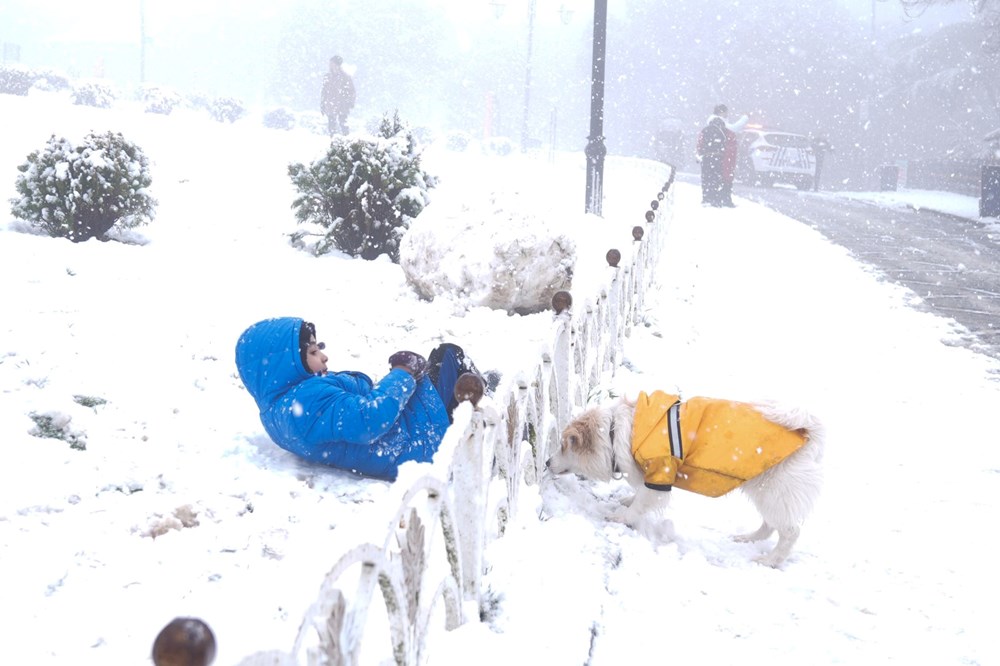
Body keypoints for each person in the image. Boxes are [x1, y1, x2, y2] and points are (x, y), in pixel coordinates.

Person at [234, 317, 485, 481]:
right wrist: (403, 374)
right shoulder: (307, 401)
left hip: (405, 436)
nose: (324, 357)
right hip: (419, 441)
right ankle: (486, 409)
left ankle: (472, 398)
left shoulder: (282, 408)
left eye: (319, 347)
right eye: (312, 351)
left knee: (440, 368)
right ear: (285, 365)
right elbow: (371, 418)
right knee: (449, 355)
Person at [696, 105, 728, 207]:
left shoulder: (705, 130)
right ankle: (715, 199)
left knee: (706, 178)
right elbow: (725, 143)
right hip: (718, 157)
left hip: (706, 157)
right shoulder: (723, 130)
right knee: (716, 178)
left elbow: (700, 144)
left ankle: (706, 198)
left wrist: (700, 154)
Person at [720, 109, 749, 207]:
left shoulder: (723, 130)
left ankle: (725, 199)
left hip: (727, 160)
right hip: (727, 160)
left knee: (726, 179)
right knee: (726, 179)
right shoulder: (726, 130)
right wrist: (745, 118)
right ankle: (726, 200)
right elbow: (735, 127)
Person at [320, 55, 356, 136]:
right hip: (330, 105)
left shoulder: (345, 77)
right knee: (331, 126)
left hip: (342, 105)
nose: (329, 65)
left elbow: (351, 91)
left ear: (337, 65)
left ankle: (347, 142)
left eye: (331, 63)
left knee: (343, 125)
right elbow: (324, 91)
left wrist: (350, 103)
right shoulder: (327, 77)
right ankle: (333, 142)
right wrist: (322, 104)